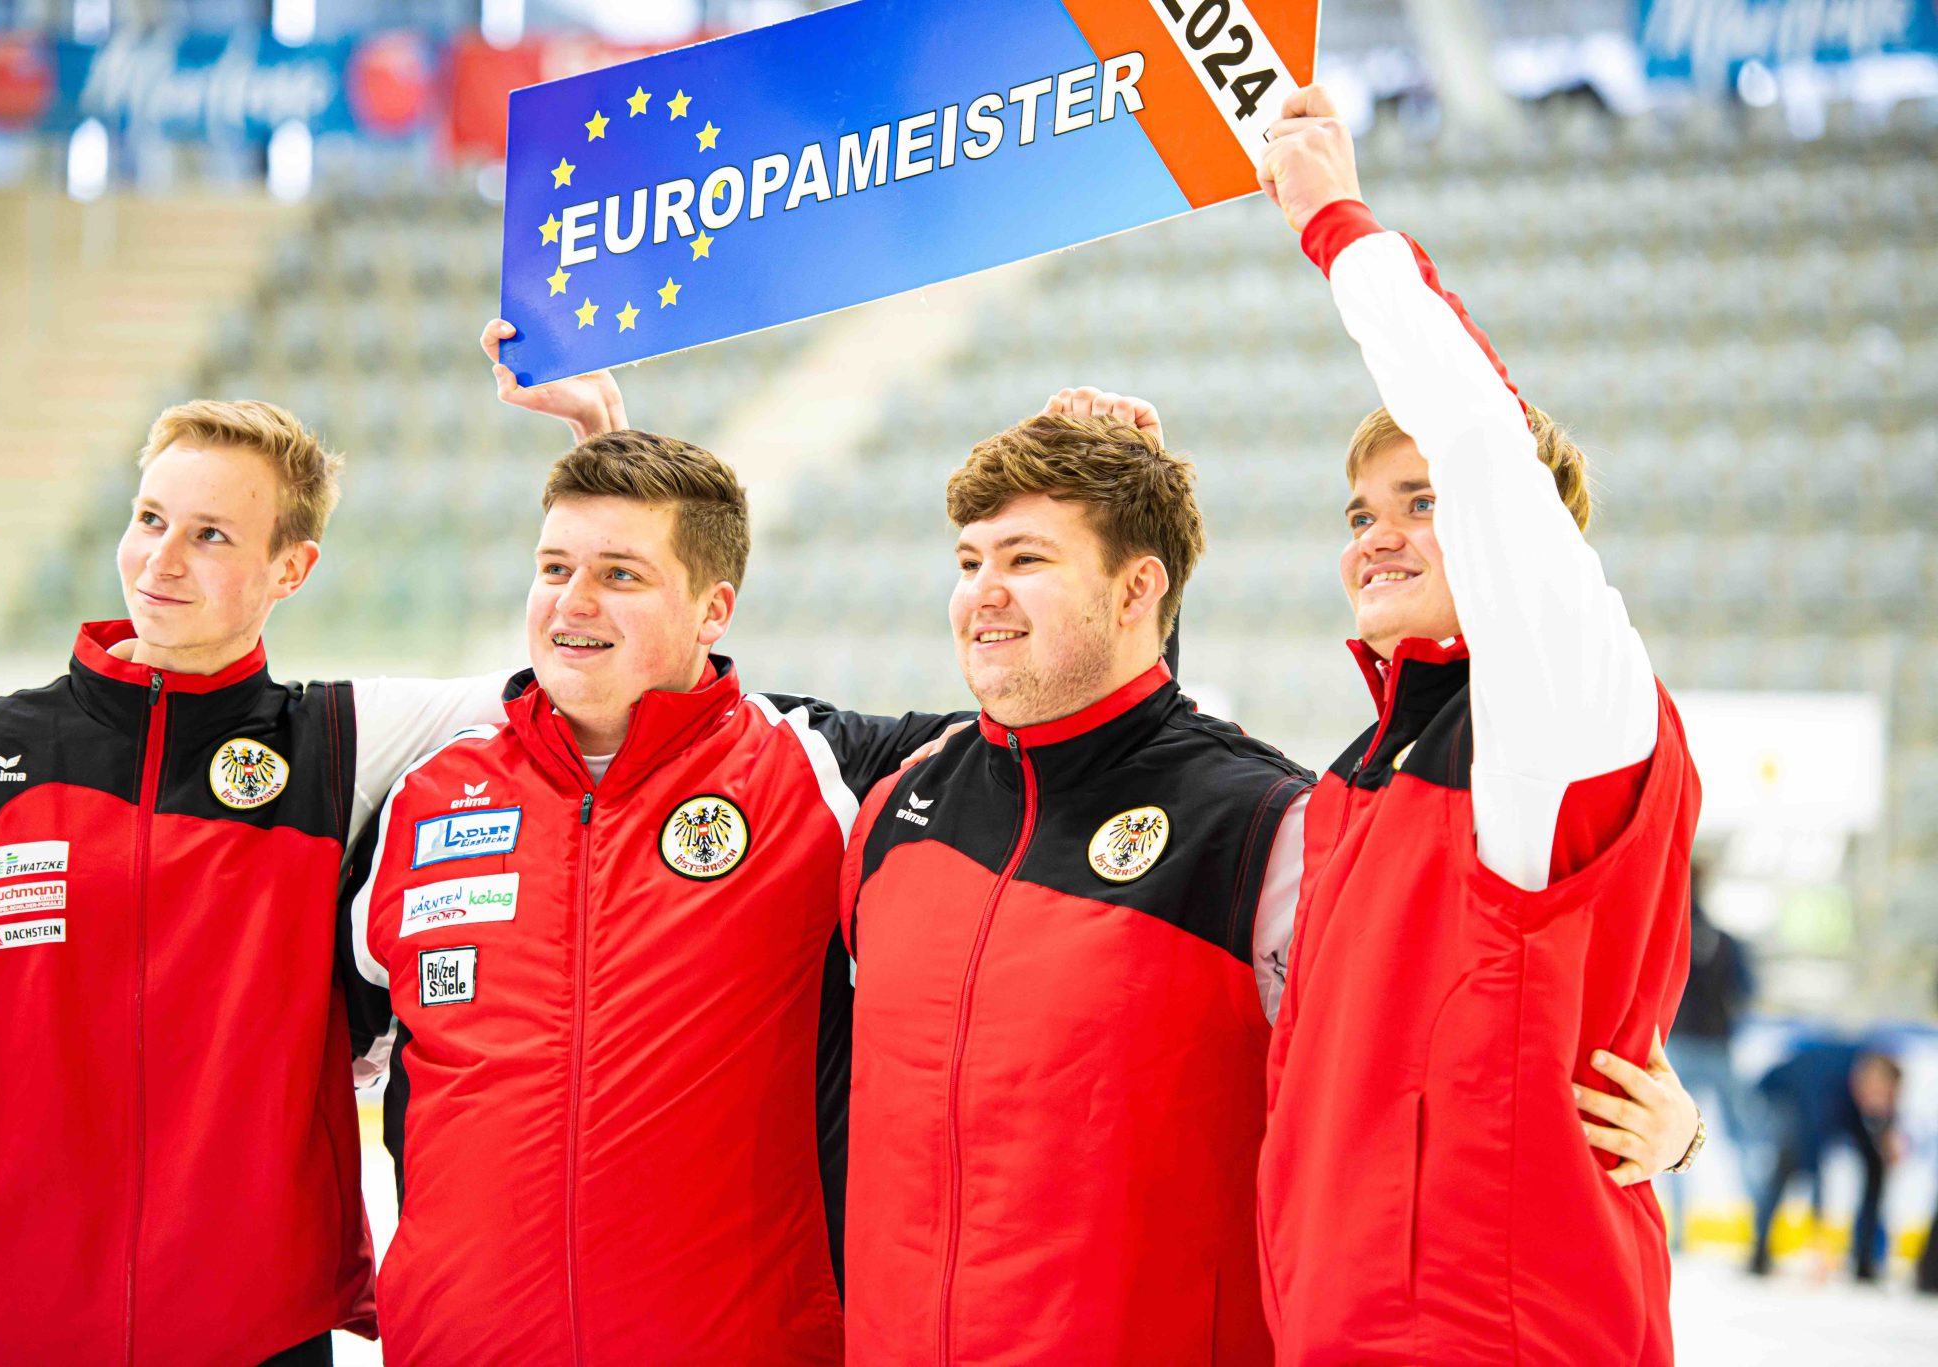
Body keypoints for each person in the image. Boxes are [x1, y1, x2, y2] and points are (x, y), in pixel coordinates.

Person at [0, 400, 534, 1365]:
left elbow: (564, 674)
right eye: (150, 518)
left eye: (211, 535)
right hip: (7, 1315)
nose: (161, 560)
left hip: (253, 1327)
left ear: (292, 568)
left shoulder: (334, 744)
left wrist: (594, 443)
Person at [340, 421, 961, 1362]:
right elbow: (308, 1075)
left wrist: (1117, 519)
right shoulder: (421, 799)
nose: (571, 602)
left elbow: (1066, 727)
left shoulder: (824, 774)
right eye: (554, 568)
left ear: (714, 611)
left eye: (620, 575)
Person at [1252, 87, 1704, 1365]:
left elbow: (1482, 441)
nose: (1374, 534)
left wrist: (1332, 224)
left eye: (1417, 500)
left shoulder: (1559, 711)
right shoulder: (1358, 774)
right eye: (1355, 511)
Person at [835, 407, 1313, 1364]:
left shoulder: (1265, 826)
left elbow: (1405, 1102)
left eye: (1026, 560)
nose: (983, 594)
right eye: (970, 563)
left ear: (1139, 588)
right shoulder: (896, 804)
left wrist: (1666, 1135)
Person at [1749, 1040, 1903, 1282]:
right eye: (1874, 1094)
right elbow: (1814, 1158)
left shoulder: (1874, 1073)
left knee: (1875, 1162)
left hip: (1841, 1102)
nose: (1877, 1102)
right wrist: (1820, 1240)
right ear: (1863, 1079)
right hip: (1787, 1094)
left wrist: (1886, 1131)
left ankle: (1865, 1259)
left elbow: (1882, 1110)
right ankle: (1758, 1254)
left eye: (1884, 1098)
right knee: (1788, 1160)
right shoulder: (1822, 1088)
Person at [1664, 876, 1759, 1249]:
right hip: (1716, 1045)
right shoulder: (1725, 941)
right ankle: (1757, 1221)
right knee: (1740, 1136)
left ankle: (1681, 1231)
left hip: (1684, 1046)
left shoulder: (1674, 936)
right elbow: (1748, 990)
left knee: (1672, 1137)